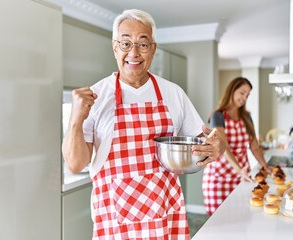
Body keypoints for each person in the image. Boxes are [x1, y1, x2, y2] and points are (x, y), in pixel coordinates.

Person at [62, 9, 224, 240]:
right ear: (114, 47)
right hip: (116, 220)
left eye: (143, 44)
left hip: (165, 217)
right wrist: (76, 118)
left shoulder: (173, 93)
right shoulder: (97, 96)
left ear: (153, 49)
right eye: (126, 43)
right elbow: (75, 164)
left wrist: (218, 146)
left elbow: (207, 141)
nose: (134, 53)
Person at [202, 77, 270, 215]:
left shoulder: (246, 117)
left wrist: (265, 166)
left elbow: (254, 146)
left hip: (242, 175)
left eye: (247, 95)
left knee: (242, 218)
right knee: (219, 226)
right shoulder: (218, 116)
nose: (245, 97)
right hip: (219, 178)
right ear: (232, 91)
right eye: (242, 92)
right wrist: (239, 170)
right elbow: (224, 146)